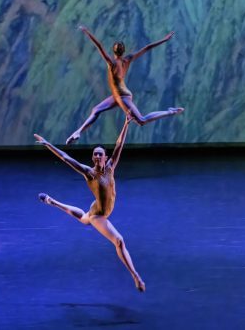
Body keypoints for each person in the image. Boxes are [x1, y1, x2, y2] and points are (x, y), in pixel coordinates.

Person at [35, 116, 145, 292]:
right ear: (93, 158)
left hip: (97, 207)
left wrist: (125, 124)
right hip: (99, 215)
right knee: (119, 241)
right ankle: (136, 276)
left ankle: (51, 201)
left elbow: (119, 145)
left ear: (105, 157)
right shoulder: (89, 173)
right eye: (95, 154)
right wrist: (48, 144)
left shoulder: (110, 167)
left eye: (100, 153)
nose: (97, 155)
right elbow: (65, 157)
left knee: (83, 218)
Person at [66, 26, 183, 144]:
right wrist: (164, 39)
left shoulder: (111, 62)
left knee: (141, 120)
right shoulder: (127, 59)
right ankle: (78, 131)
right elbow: (147, 47)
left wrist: (87, 32)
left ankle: (170, 111)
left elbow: (99, 46)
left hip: (122, 96)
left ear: (114, 51)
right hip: (117, 96)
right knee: (96, 110)